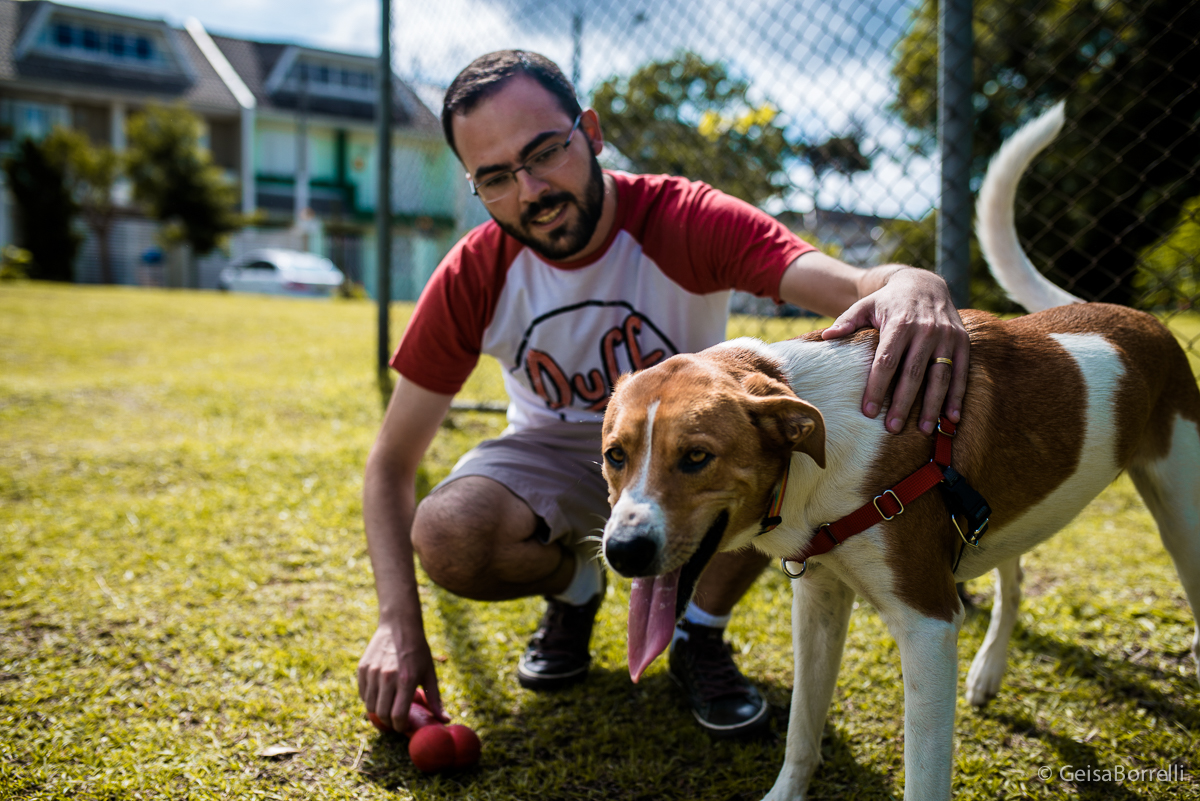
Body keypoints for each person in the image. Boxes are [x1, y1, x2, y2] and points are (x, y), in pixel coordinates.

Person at [357, 50, 969, 739]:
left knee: (760, 444)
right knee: (449, 532)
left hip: (692, 448)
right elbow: (391, 465)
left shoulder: (685, 218)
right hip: (556, 450)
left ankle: (699, 630)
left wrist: (911, 281)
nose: (530, 191)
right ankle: (575, 590)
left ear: (590, 133)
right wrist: (396, 625)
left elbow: (851, 284)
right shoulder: (475, 270)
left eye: (545, 153)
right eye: (496, 178)